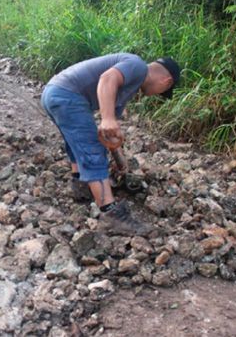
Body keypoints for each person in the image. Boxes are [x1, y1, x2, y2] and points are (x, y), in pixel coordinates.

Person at [41, 53, 180, 234]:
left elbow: (110, 131)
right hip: (67, 95)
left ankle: (81, 186)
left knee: (77, 140)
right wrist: (107, 118)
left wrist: (118, 156)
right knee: (92, 149)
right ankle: (111, 213)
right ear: (166, 81)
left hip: (54, 93)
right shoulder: (138, 67)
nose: (156, 95)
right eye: (162, 93)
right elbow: (107, 79)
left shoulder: (131, 83)